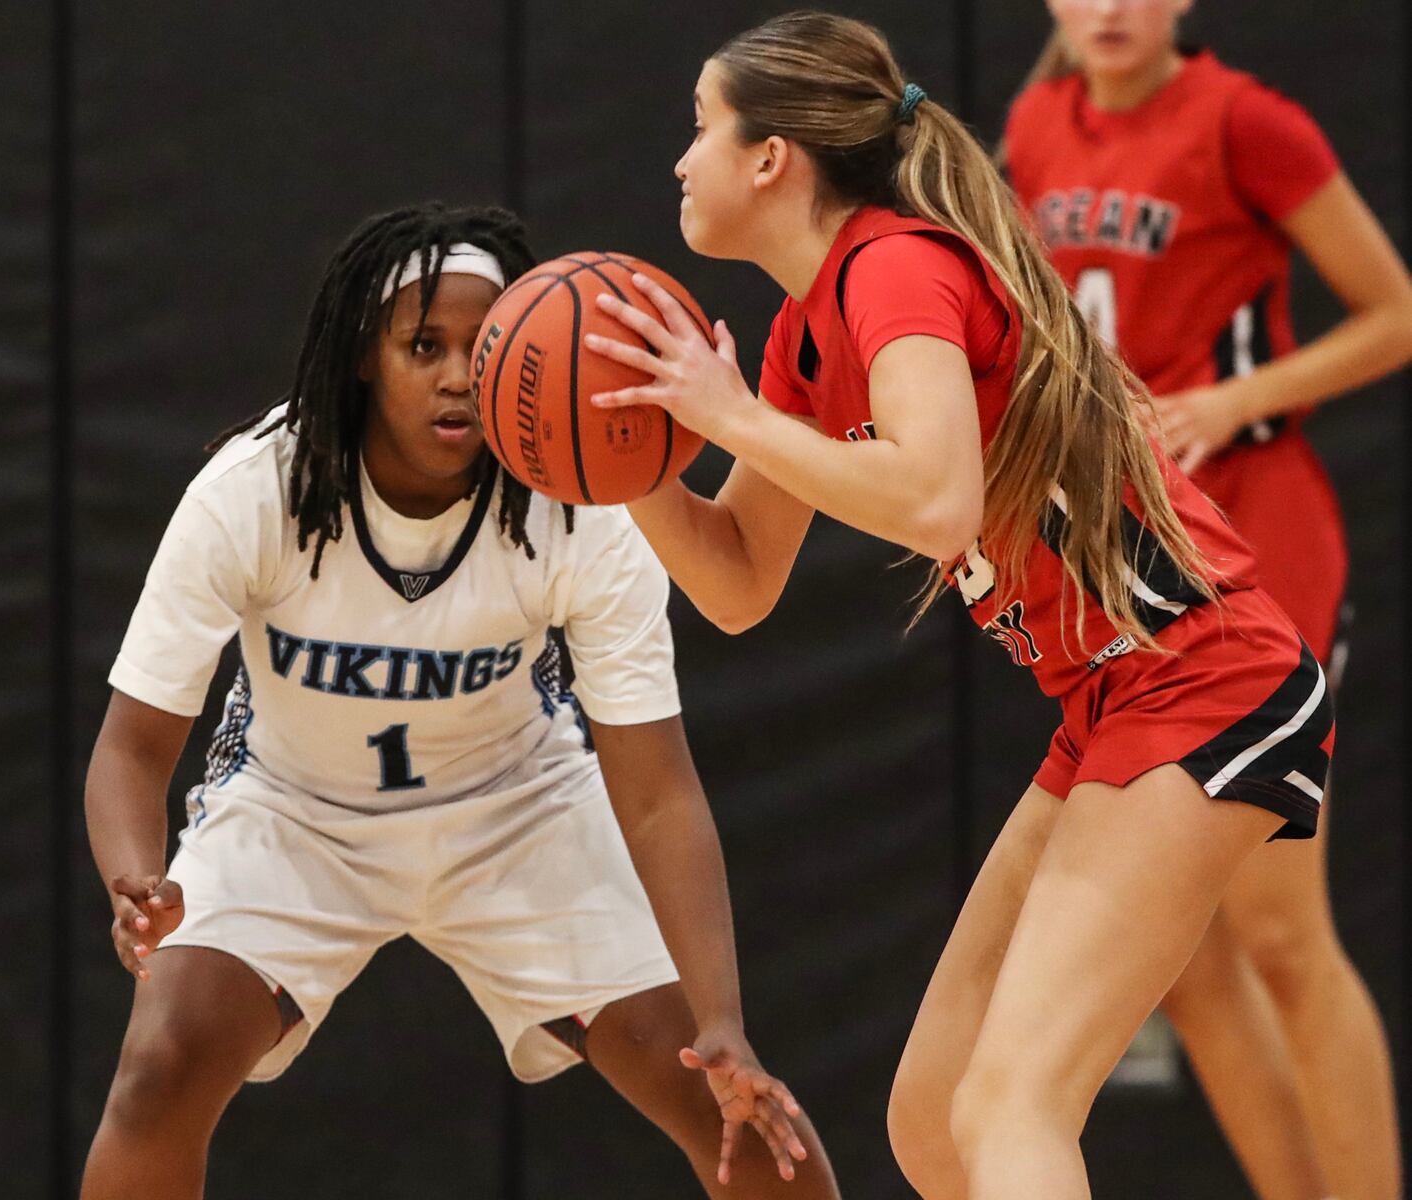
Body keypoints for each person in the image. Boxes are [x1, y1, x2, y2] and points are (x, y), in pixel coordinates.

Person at [581, 13, 1337, 1199]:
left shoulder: (895, 265)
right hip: (1111, 695)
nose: (681, 161)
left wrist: (727, 417)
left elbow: (937, 501)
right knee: (937, 1120)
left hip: (1205, 672)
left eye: (700, 129)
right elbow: (734, 583)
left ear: (771, 157)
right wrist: (619, 465)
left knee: (1013, 1102)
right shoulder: (802, 340)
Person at [77, 202, 840, 1199]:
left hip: (518, 812)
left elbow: (658, 795)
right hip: (296, 812)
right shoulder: (257, 488)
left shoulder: (583, 510)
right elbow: (130, 750)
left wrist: (723, 1019)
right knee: (156, 1073)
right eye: (421, 345)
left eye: (483, 349)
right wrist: (136, 882)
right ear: (363, 357)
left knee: (731, 1105)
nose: (454, 374)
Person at [1003, 5, 1412, 1197]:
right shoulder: (1033, 125)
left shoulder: (1247, 121)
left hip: (1261, 532)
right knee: (1182, 956)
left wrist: (1238, 400)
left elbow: (1396, 313)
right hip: (1137, 555)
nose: (1113, 9)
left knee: (1283, 933)